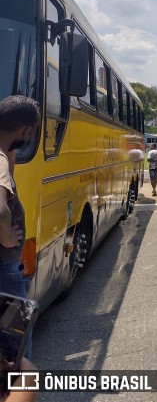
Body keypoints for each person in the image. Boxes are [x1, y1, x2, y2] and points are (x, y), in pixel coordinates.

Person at [0, 96, 40, 360]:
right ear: (25, 130)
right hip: (5, 268)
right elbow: (0, 208)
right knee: (16, 340)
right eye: (31, 132)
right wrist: (7, 238)